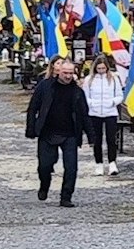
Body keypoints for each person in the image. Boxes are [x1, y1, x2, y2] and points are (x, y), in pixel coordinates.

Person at [25, 57, 88, 207]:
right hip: (47, 132)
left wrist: (92, 136)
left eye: (70, 73)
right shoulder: (45, 86)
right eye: (65, 72)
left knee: (71, 167)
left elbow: (84, 114)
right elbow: (33, 108)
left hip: (70, 133)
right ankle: (44, 185)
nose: (67, 76)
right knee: (44, 166)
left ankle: (66, 196)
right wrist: (31, 128)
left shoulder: (77, 91)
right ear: (58, 72)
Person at [82, 55, 126, 176]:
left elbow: (120, 95)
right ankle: (99, 164)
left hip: (110, 112)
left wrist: (112, 102)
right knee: (97, 140)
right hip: (94, 112)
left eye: (103, 68)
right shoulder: (88, 80)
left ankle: (112, 163)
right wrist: (91, 104)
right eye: (99, 68)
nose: (101, 71)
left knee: (111, 139)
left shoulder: (114, 79)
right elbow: (85, 96)